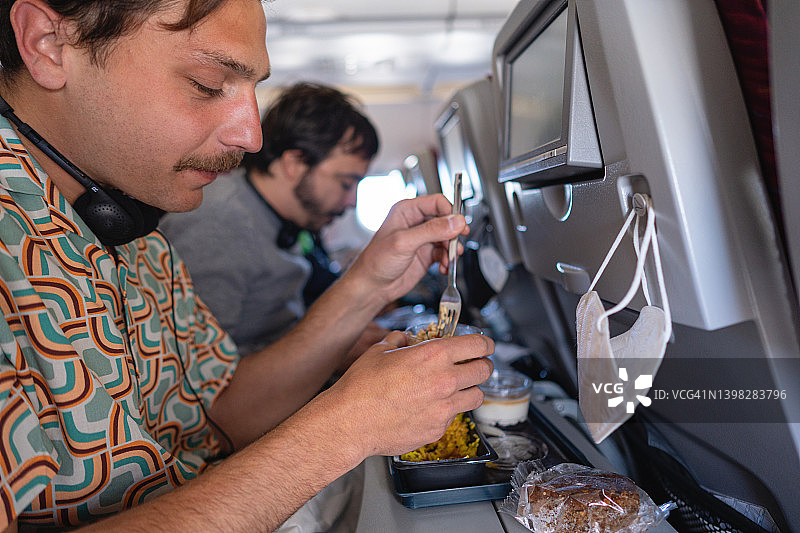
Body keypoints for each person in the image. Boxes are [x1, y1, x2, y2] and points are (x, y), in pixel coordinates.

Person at [0, 1, 494, 532]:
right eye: (208, 84)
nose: (251, 137)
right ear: (47, 43)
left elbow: (223, 410)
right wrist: (344, 427)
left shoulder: (136, 235)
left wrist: (370, 282)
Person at [160, 82, 386, 357]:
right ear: (294, 164)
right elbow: (202, 369)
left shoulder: (282, 219)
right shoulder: (220, 223)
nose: (351, 202)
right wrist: (330, 351)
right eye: (346, 183)